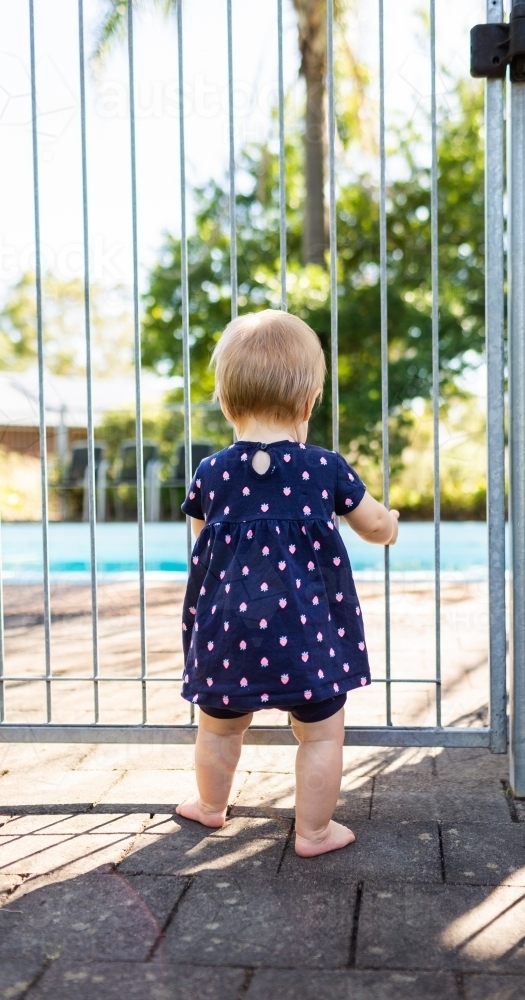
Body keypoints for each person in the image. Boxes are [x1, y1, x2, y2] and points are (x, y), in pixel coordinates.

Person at [176, 309, 399, 857]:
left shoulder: (211, 473)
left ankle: (210, 807)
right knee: (321, 734)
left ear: (227, 403)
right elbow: (373, 526)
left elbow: (200, 544)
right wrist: (390, 522)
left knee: (219, 730)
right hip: (308, 635)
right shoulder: (325, 469)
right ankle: (314, 832)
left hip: (227, 632)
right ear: (308, 403)